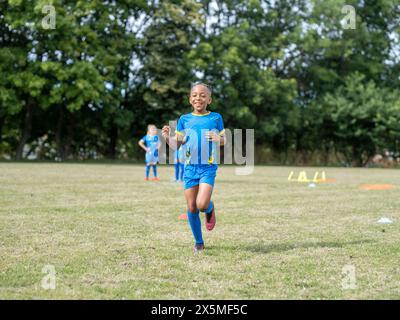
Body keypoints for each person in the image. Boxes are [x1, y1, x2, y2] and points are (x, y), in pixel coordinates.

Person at [162, 82, 225, 253]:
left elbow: (224, 140)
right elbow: (177, 144)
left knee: (202, 204)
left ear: (209, 100)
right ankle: (199, 242)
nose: (199, 98)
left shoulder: (215, 118)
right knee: (191, 207)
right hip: (190, 169)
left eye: (203, 95)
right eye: (195, 95)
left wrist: (217, 138)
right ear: (190, 99)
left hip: (208, 167)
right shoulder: (184, 119)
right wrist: (168, 138)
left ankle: (210, 209)